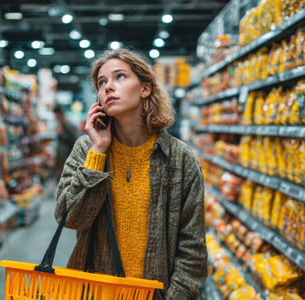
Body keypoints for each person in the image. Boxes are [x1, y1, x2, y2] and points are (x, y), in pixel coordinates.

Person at [55, 48, 207, 299]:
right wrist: (98, 152)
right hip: (95, 292)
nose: (108, 87)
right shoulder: (86, 149)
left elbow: (192, 252)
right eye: (101, 82)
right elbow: (70, 218)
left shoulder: (180, 159)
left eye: (120, 77)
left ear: (145, 88)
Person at [53, 105, 77, 183]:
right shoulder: (59, 124)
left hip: (66, 155)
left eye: (56, 114)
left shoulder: (67, 124)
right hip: (60, 155)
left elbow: (73, 139)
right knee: (59, 176)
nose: (55, 116)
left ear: (60, 113)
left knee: (65, 177)